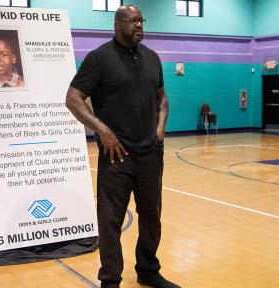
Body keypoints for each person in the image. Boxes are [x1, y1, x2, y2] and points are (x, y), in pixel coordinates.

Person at [65, 5, 178, 288]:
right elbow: (73, 98)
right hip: (117, 155)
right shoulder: (99, 58)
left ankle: (148, 270)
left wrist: (160, 129)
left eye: (141, 20)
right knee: (110, 220)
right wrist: (102, 131)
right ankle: (111, 280)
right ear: (117, 24)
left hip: (150, 153)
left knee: (152, 215)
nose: (139, 25)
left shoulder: (152, 58)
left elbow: (161, 98)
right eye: (133, 20)